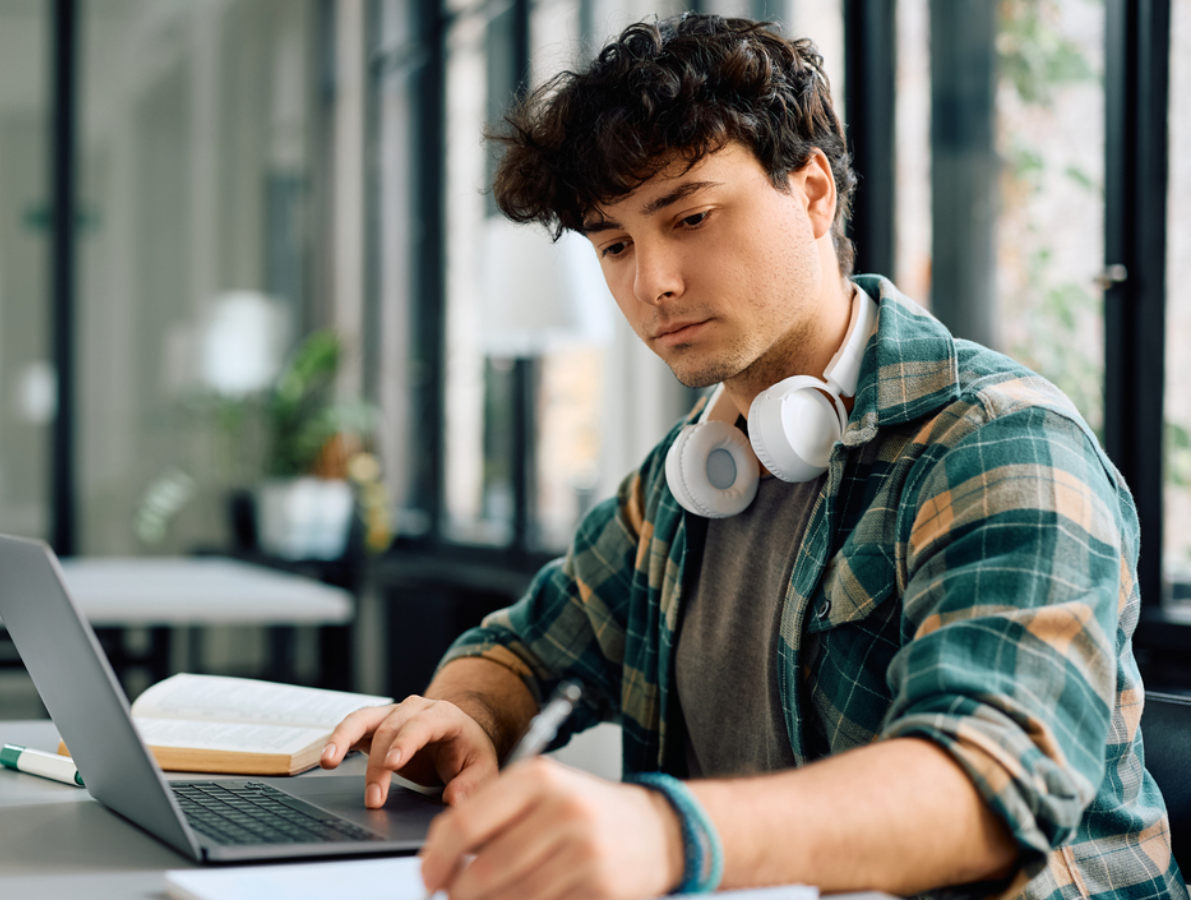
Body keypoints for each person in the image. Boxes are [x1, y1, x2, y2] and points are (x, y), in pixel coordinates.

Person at [322, 14, 1183, 900]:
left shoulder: (998, 443)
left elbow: (991, 782)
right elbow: (521, 650)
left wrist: (667, 834)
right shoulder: (687, 476)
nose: (651, 281)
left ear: (813, 194)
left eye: (690, 216)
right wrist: (464, 715)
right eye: (614, 245)